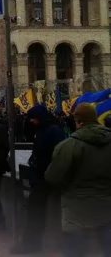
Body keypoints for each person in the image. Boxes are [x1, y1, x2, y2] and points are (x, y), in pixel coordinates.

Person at [45, 103, 111, 257]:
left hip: (76, 210)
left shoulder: (68, 146)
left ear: (78, 121)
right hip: (107, 207)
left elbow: (52, 177)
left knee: (74, 250)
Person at [10, 105, 65, 255]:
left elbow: (58, 156)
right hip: (39, 177)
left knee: (35, 213)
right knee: (34, 212)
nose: (31, 121)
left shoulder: (52, 131)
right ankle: (32, 242)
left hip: (45, 178)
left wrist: (48, 174)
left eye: (34, 118)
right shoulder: (41, 131)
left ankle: (31, 244)